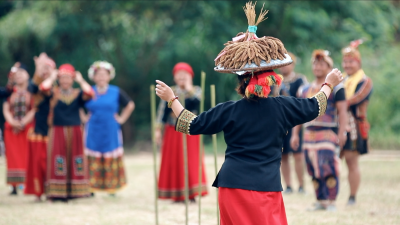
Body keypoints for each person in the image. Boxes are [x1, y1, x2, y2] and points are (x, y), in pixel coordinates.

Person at [155, 2, 343, 224]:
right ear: (271, 79)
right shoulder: (283, 107)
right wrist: (329, 84)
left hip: (231, 187)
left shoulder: (230, 110)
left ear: (240, 84)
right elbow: (316, 106)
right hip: (265, 188)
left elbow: (191, 124)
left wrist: (172, 100)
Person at [291, 50, 348, 211]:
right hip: (309, 134)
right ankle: (320, 200)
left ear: (329, 67)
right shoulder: (304, 89)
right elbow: (298, 114)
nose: (317, 67)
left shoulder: (337, 88)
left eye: (322, 64)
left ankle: (331, 201)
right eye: (315, 63)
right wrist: (295, 134)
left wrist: (342, 132)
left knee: (328, 166)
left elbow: (343, 112)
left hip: (328, 132)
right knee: (313, 167)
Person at [39, 64, 94, 201]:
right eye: (62, 78)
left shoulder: (77, 94)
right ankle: (58, 192)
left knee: (76, 159)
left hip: (75, 130)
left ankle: (76, 191)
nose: (65, 81)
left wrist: (80, 80)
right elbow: (43, 88)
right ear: (58, 79)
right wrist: (52, 77)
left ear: (72, 80)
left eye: (68, 78)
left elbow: (90, 93)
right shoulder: (54, 92)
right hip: (57, 129)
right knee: (58, 158)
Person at [155, 62, 208, 202]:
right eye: (179, 75)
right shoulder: (169, 91)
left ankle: (191, 193)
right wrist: (157, 130)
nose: (182, 77)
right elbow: (162, 113)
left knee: (191, 160)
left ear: (191, 76)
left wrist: (188, 88)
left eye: (185, 75)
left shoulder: (196, 90)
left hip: (191, 131)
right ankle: (176, 193)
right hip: (173, 131)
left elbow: (199, 102)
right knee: (175, 161)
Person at [82, 61, 134, 195]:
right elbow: (76, 104)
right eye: (98, 75)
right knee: (92, 155)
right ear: (93, 77)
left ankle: (112, 187)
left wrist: (122, 119)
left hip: (111, 129)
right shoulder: (89, 91)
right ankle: (91, 188)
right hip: (93, 129)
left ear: (109, 76)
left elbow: (130, 105)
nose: (101, 77)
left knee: (111, 154)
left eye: (104, 75)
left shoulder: (116, 91)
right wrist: (82, 117)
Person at [341, 40, 373, 206]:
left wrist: (337, 102)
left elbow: (355, 99)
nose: (347, 64)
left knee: (351, 161)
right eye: (345, 61)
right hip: (339, 122)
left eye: (350, 61)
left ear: (358, 62)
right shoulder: (343, 81)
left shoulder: (365, 81)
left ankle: (352, 196)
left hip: (355, 125)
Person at [24, 53, 56, 201]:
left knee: (52, 163)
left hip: (54, 130)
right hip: (39, 130)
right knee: (38, 163)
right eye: (43, 69)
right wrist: (38, 68)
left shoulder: (57, 88)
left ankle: (53, 191)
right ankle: (38, 192)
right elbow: (34, 87)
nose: (45, 71)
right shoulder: (35, 87)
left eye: (47, 69)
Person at [3, 63, 35, 195]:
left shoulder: (32, 90)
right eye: (17, 74)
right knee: (12, 156)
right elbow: (6, 108)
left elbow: (34, 108)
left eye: (22, 73)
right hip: (11, 129)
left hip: (27, 128)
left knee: (27, 155)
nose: (19, 76)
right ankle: (14, 185)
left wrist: (22, 122)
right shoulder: (10, 91)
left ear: (28, 75)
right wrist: (12, 122)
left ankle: (26, 183)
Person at [278, 52, 308, 194]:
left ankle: (301, 185)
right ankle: (288, 185)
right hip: (281, 123)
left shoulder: (300, 80)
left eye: (287, 63)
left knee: (298, 154)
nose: (284, 67)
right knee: (283, 155)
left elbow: (302, 101)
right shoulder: (275, 81)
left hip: (295, 121)